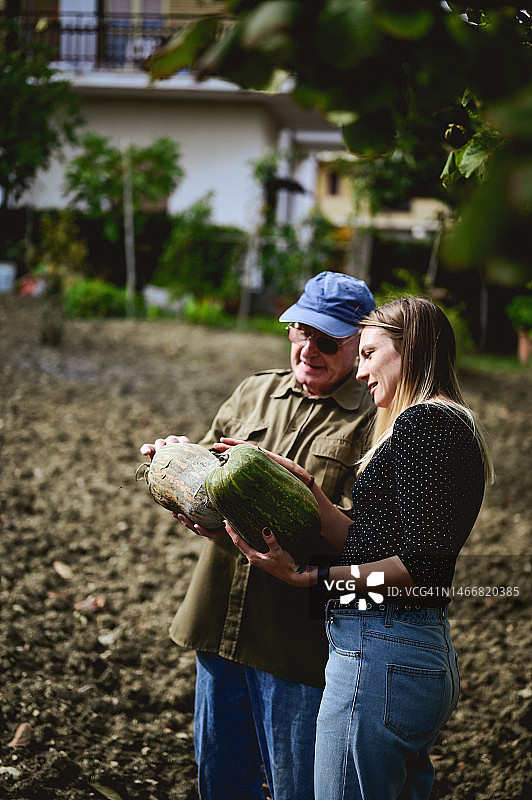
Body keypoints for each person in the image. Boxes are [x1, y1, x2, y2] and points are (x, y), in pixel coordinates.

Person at [223, 297, 495, 800]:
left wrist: (311, 580)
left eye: (369, 354)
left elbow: (420, 567)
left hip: (381, 656)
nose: (362, 370)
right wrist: (302, 484)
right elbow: (373, 543)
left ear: (411, 350)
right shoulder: (443, 424)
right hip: (405, 651)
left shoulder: (425, 425)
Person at [140, 271, 376, 800]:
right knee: (221, 782)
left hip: (295, 646)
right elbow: (204, 474)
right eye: (301, 332)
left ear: (361, 342)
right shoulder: (255, 391)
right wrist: (174, 462)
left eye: (327, 340)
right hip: (218, 622)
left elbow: (367, 543)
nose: (308, 350)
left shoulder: (373, 419)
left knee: (297, 788)